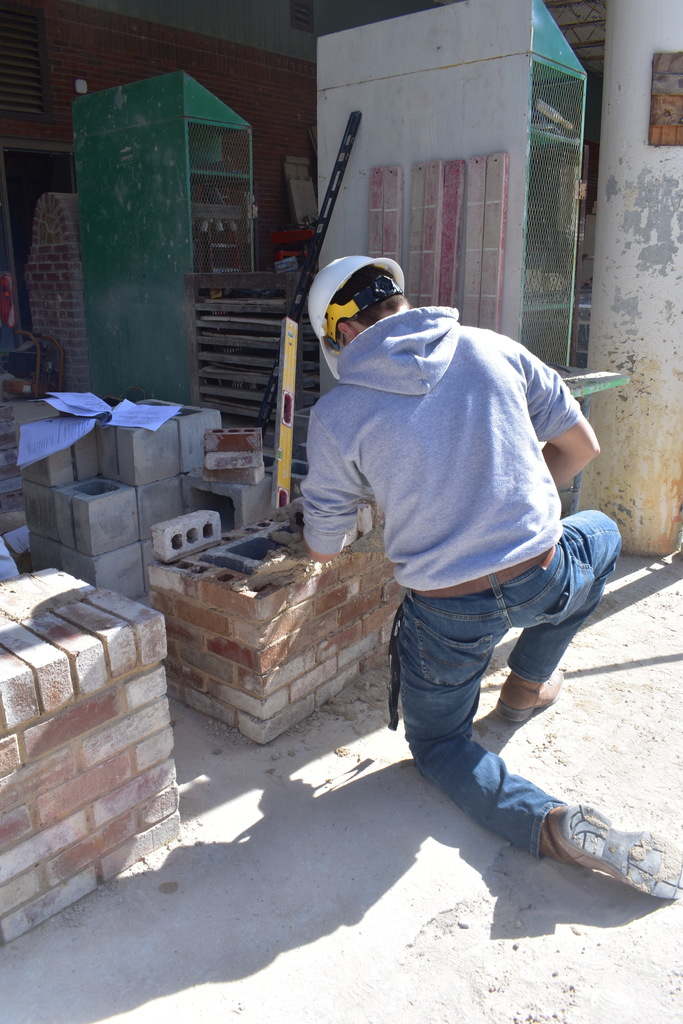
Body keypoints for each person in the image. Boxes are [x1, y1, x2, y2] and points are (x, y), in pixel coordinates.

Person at [299, 255, 683, 900]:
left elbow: (324, 546)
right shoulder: (493, 348)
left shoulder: (339, 414)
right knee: (601, 535)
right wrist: (505, 492)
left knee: (441, 746)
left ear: (339, 335)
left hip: (449, 610)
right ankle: (528, 685)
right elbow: (579, 449)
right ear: (400, 303)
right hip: (542, 573)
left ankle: (553, 824)